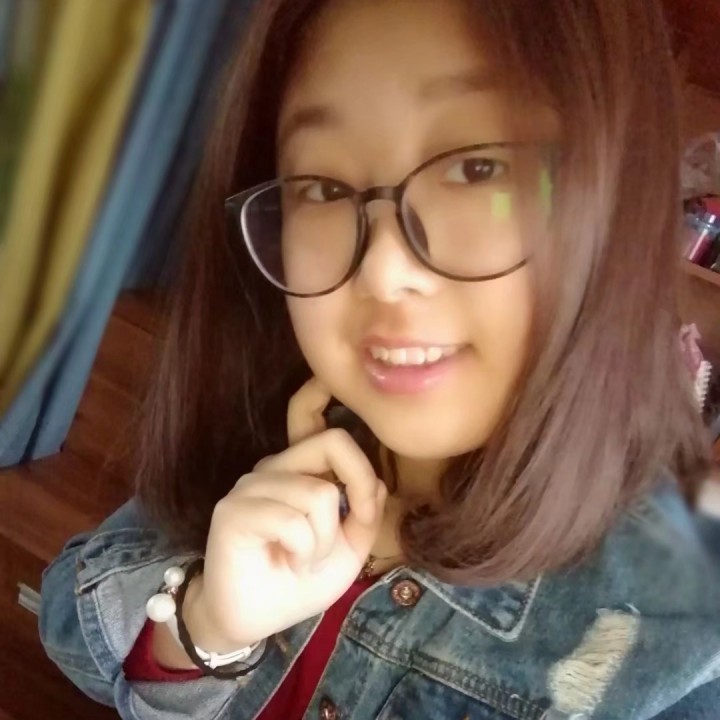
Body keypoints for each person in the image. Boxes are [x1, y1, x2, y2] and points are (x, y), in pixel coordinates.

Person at [39, 0, 720, 718]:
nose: (384, 270)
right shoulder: (275, 419)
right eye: (323, 188)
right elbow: (71, 623)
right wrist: (205, 628)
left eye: (477, 168)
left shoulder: (681, 631)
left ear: (618, 200)